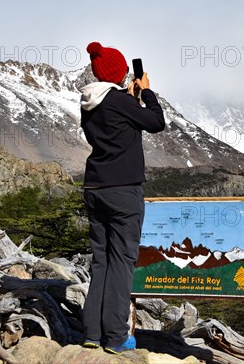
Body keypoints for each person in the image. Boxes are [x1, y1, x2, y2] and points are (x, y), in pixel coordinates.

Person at [79, 41, 165, 354]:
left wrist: (128, 99)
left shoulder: (89, 101)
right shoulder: (119, 101)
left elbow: (115, 124)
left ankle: (91, 333)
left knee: (101, 260)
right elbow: (156, 122)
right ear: (119, 72)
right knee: (122, 261)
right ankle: (115, 338)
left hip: (95, 188)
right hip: (123, 191)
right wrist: (146, 93)